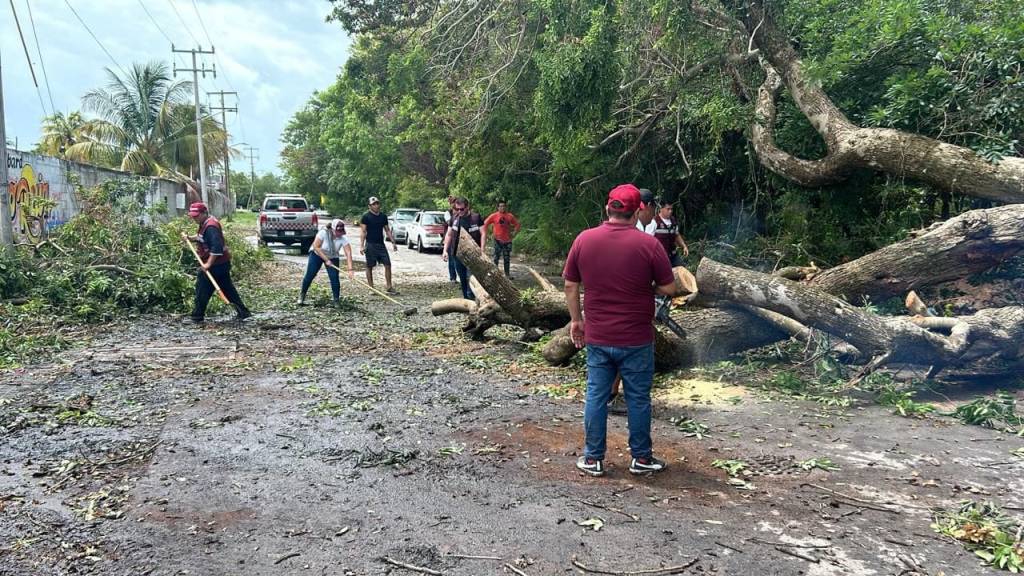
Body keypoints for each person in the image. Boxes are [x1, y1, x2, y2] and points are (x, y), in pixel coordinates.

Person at [563, 184, 677, 477]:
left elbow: (570, 284)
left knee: (596, 395)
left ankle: (592, 458)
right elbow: (669, 287)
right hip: (636, 338)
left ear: (608, 208)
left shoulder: (584, 240)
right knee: (638, 398)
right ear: (638, 210)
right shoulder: (648, 245)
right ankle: (640, 458)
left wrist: (577, 321)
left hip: (598, 336)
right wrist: (645, 286)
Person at [184, 202, 251, 324]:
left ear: (204, 213)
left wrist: (208, 264)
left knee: (202, 289)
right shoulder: (204, 224)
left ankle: (197, 316)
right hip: (222, 264)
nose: (194, 218)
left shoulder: (211, 227)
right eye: (192, 216)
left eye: (196, 215)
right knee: (228, 289)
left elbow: (217, 249)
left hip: (216, 265)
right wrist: (190, 238)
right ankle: (243, 312)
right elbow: (202, 237)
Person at [297, 218, 355, 307]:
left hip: (333, 256)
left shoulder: (343, 238)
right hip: (317, 254)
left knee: (334, 278)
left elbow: (348, 253)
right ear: (332, 229)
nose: (339, 233)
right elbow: (316, 246)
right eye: (338, 231)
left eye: (341, 231)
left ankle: (336, 300)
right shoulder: (323, 233)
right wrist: (326, 260)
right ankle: (302, 295)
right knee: (310, 275)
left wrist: (350, 269)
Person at [442, 197, 484, 300]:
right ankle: (467, 301)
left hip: (473, 254)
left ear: (467, 207)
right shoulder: (454, 218)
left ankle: (472, 299)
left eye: (462, 209)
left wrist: (482, 250)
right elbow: (449, 235)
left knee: (471, 278)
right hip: (457, 254)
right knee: (462, 279)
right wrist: (445, 250)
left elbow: (483, 233)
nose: (459, 211)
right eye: (457, 209)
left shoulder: (476, 218)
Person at [359, 196, 399, 294]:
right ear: (369, 206)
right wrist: (361, 245)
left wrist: (393, 242)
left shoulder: (383, 216)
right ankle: (371, 288)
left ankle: (389, 286)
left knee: (388, 264)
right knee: (369, 266)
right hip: (370, 244)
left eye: (377, 203)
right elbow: (363, 232)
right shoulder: (366, 217)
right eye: (374, 204)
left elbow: (387, 230)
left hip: (380, 244)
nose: (376, 205)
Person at [481, 199, 521, 277]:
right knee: (496, 258)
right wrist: (485, 234)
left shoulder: (510, 216)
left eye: (503, 206)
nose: (502, 208)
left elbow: (517, 225)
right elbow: (484, 223)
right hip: (497, 240)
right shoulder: (494, 215)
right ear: (498, 207)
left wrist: (514, 233)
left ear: (506, 207)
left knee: (507, 258)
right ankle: (495, 274)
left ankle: (507, 275)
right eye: (500, 206)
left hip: (507, 240)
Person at [653, 202, 689, 267]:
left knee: (682, 270)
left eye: (671, 209)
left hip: (673, 256)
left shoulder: (673, 221)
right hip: (661, 257)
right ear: (661, 209)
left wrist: (684, 246)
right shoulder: (654, 221)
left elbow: (677, 235)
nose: (670, 211)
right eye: (668, 209)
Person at [443, 196, 458, 282]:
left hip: (458, 239)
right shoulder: (447, 213)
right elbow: (450, 223)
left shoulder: (461, 212)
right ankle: (453, 277)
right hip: (450, 239)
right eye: (454, 203)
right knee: (451, 259)